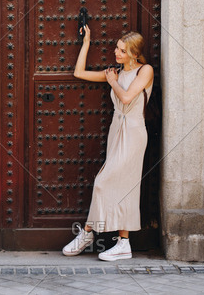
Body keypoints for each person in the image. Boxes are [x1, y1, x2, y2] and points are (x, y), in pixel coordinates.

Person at [62, 25, 154, 261]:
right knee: (121, 185)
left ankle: (88, 233)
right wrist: (86, 42)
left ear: (134, 54)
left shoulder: (145, 71)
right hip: (117, 130)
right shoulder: (115, 72)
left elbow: (125, 97)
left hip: (134, 132)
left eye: (122, 51)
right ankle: (123, 243)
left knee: (104, 182)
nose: (116, 53)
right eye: (117, 48)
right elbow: (79, 73)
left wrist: (112, 81)